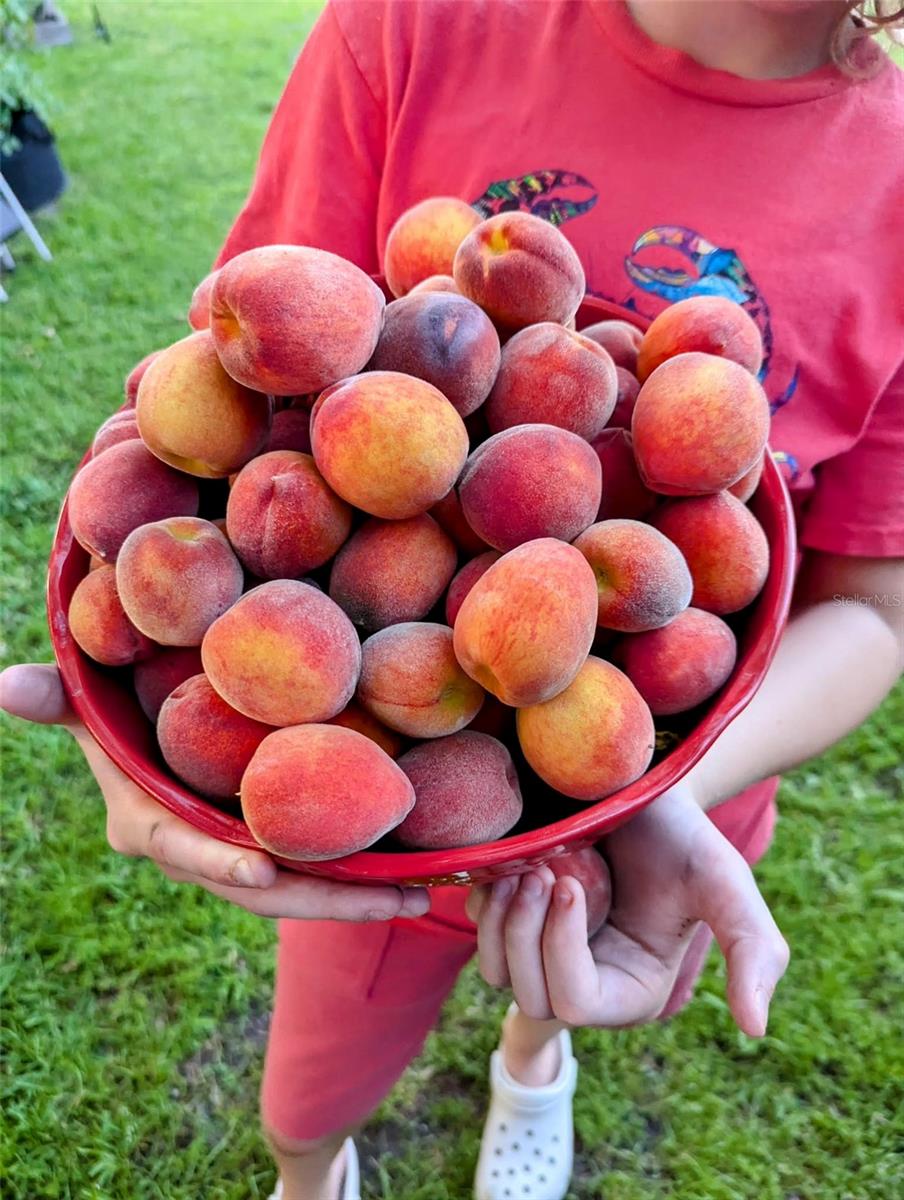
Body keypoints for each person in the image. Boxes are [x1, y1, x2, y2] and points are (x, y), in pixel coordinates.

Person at [2, 2, 902, 1198]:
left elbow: (876, 610)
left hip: (663, 796)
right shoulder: (408, 25)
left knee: (554, 964)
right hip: (383, 839)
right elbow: (234, 355)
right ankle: (307, 1166)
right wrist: (134, 699)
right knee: (317, 1077)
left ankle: (532, 1063)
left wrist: (658, 797)